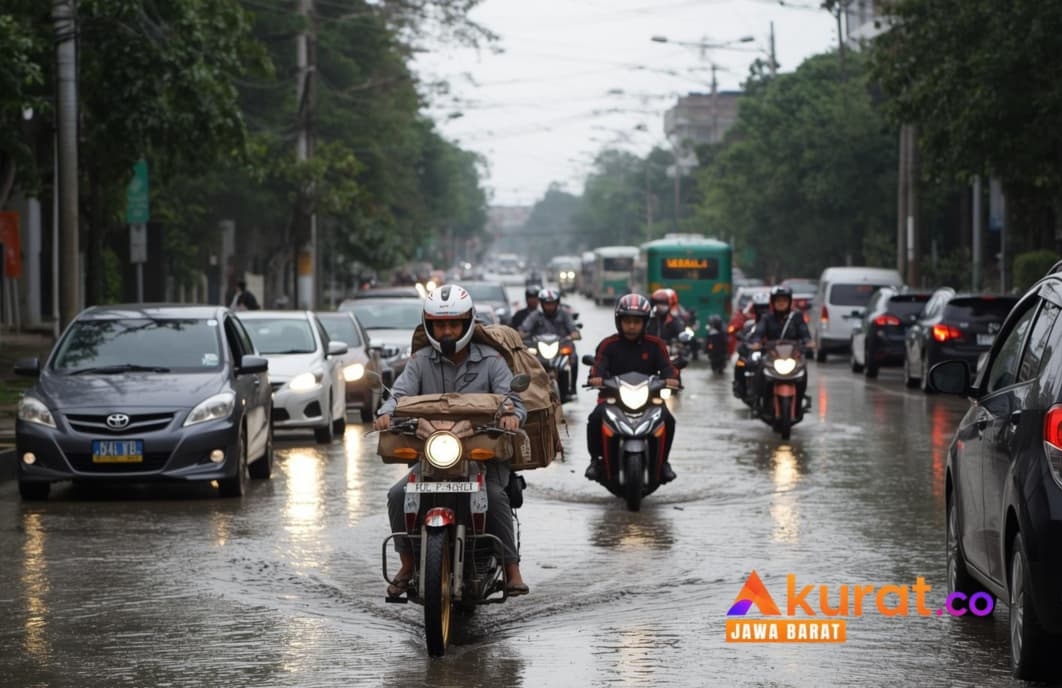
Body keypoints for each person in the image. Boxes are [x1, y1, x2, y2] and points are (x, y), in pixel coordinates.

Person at [373, 284, 530, 597]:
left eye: (453, 323)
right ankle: (407, 563)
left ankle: (512, 569)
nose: (446, 330)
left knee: (496, 496)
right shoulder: (419, 361)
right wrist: (386, 413)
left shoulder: (492, 361)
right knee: (396, 495)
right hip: (435, 455)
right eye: (440, 324)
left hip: (481, 455)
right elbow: (399, 395)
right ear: (430, 325)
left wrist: (512, 416)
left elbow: (513, 400)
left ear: (466, 322)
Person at [584, 293, 681, 483]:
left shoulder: (656, 345)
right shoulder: (608, 345)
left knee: (668, 420)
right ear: (618, 321)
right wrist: (595, 378)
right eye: (627, 321)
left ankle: (663, 464)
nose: (631, 326)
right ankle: (596, 461)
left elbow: (668, 368)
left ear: (645, 323)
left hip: (649, 401)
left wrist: (672, 379)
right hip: (612, 399)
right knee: (595, 418)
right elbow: (598, 367)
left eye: (636, 322)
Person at [748, 285, 811, 408]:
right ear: (773, 303)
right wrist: (756, 342)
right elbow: (759, 332)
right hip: (773, 356)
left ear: (789, 302)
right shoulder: (767, 318)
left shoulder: (796, 317)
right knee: (759, 369)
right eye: (778, 301)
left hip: (792, 356)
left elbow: (804, 332)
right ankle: (760, 400)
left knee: (803, 372)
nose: (781, 304)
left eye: (784, 301)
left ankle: (800, 401)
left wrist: (808, 341)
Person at [519, 288, 582, 394]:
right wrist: (520, 335)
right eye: (547, 304)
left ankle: (573, 388)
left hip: (559, 350)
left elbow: (574, 332)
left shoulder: (564, 315)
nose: (549, 306)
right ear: (542, 304)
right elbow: (523, 329)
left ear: (557, 303)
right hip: (540, 351)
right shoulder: (535, 315)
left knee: (574, 356)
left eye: (552, 303)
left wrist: (572, 336)